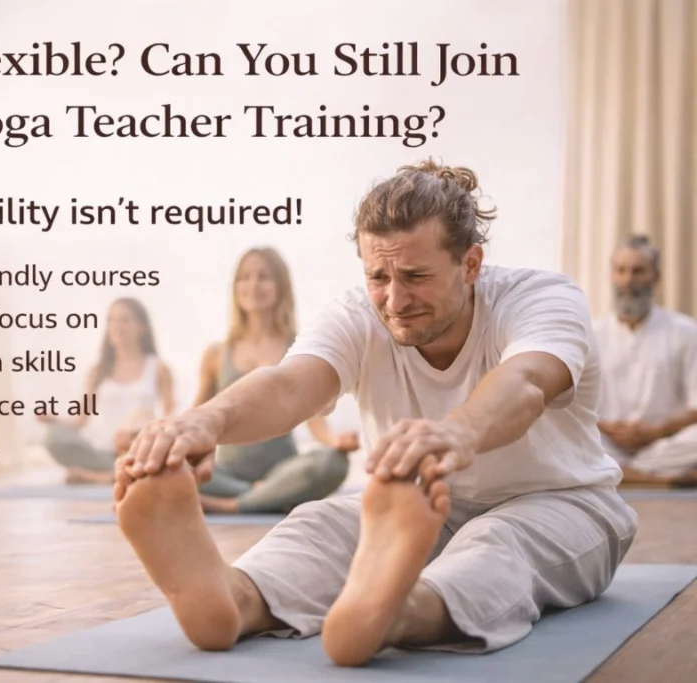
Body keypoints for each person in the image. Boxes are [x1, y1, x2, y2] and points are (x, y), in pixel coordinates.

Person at [110, 160, 637, 667]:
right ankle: (234, 599)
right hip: (416, 502)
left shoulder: (541, 297)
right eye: (378, 276)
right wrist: (206, 421)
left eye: (415, 275)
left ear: (470, 264)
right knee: (321, 523)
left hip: (560, 503)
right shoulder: (356, 314)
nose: (394, 299)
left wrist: (457, 435)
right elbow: (293, 386)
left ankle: (395, 614)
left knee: (496, 543)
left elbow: (525, 382)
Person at [194, 247, 359, 514]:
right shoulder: (216, 354)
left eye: (264, 277)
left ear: (281, 286)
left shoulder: (300, 348)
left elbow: (315, 419)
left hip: (282, 469)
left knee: (332, 462)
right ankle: (264, 497)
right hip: (227, 475)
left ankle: (235, 505)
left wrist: (334, 441)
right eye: (244, 277)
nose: (253, 285)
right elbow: (197, 416)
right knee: (170, 467)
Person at [593, 235, 697, 486]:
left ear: (656, 277)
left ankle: (618, 474)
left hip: (663, 442)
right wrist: (608, 429)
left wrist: (654, 433)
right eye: (622, 271)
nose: (629, 280)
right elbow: (573, 404)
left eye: (638, 271)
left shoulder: (685, 330)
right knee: (556, 430)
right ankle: (657, 478)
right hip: (606, 441)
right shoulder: (591, 333)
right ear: (612, 276)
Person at [39, 297, 175, 484]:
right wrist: (53, 419)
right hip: (103, 453)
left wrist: (142, 432)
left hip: (140, 448)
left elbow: (170, 416)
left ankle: (98, 476)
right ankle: (120, 473)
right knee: (54, 437)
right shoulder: (97, 372)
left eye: (125, 320)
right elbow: (80, 420)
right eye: (111, 320)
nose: (117, 326)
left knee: (163, 454)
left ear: (141, 327)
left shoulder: (158, 368)